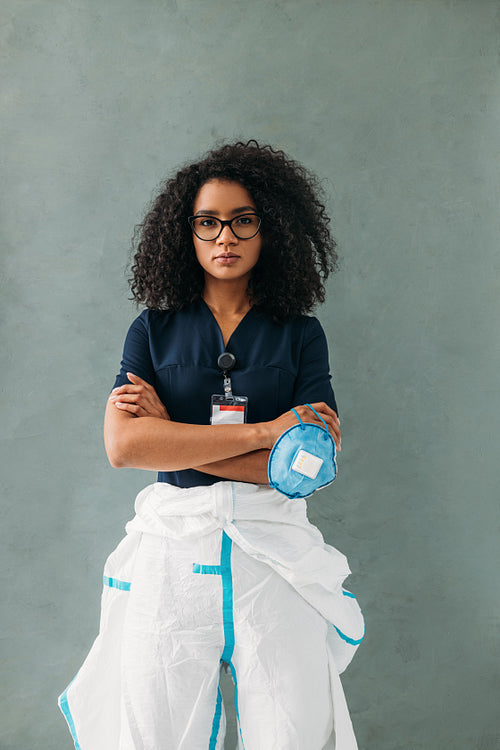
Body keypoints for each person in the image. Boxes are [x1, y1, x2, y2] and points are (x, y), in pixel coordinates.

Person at [58, 141, 364, 750]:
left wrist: (169, 433)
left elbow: (306, 469)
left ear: (269, 230)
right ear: (187, 234)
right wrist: (266, 433)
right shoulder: (152, 328)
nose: (226, 236)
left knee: (291, 731)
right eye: (208, 222)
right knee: (156, 731)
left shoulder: (302, 335)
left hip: (274, 559)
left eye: (243, 220)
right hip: (170, 557)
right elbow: (124, 447)